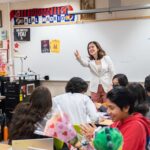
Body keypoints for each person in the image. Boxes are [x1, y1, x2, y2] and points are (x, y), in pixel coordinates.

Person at [81, 86, 150, 150]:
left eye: (111, 108)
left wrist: (96, 139)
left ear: (126, 107)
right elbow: (107, 137)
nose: (108, 112)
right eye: (107, 107)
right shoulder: (118, 122)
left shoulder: (136, 126)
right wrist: (95, 134)